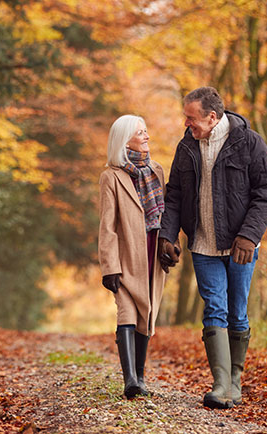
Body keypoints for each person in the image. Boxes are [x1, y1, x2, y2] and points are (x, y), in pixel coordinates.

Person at [157, 87, 267, 409]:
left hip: (241, 246)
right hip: (202, 244)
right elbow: (174, 196)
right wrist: (167, 236)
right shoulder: (186, 147)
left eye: (191, 117)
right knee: (214, 307)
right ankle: (220, 383)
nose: (187, 123)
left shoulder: (249, 143)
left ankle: (235, 382)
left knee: (237, 311)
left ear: (212, 117)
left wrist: (250, 235)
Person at [98, 114, 175, 399]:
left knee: (148, 314)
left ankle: (141, 377)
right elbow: (107, 225)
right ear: (124, 139)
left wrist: (170, 242)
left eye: (146, 131)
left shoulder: (157, 170)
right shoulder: (111, 177)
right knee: (127, 311)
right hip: (126, 256)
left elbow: (166, 214)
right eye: (140, 132)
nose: (147, 136)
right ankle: (131, 380)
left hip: (153, 253)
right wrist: (109, 267)